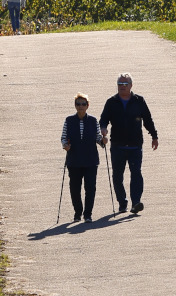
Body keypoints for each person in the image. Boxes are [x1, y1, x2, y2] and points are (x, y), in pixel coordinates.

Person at [98, 73, 158, 214]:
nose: (122, 87)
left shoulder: (139, 101)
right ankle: (122, 202)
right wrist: (103, 128)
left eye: (125, 84)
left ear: (131, 85)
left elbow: (148, 120)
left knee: (136, 173)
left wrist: (154, 136)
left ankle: (136, 202)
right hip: (117, 145)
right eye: (120, 84)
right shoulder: (111, 102)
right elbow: (103, 119)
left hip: (135, 145)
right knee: (117, 176)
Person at [61, 93, 104, 222]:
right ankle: (77, 212)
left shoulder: (93, 120)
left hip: (90, 160)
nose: (80, 106)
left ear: (87, 106)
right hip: (74, 160)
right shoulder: (69, 120)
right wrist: (65, 145)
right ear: (75, 106)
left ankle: (88, 214)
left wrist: (103, 140)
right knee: (74, 189)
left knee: (90, 188)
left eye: (83, 104)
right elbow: (63, 137)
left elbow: (98, 138)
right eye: (78, 104)